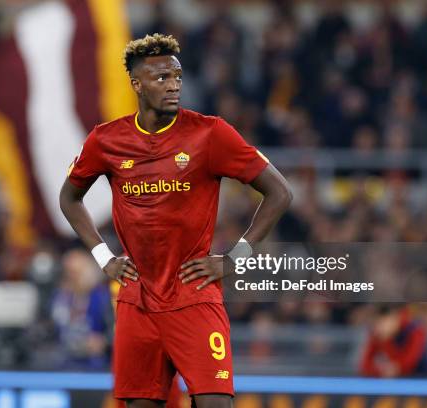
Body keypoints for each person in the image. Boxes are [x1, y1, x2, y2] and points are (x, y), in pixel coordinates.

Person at [60, 33, 292, 408]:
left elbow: (280, 192)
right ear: (137, 84)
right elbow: (69, 197)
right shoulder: (107, 140)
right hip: (137, 299)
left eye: (177, 77)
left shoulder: (209, 133)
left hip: (194, 295)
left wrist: (236, 258)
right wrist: (104, 257)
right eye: (162, 78)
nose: (174, 86)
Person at [360, 305, 427, 377]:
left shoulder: (416, 331)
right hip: (396, 380)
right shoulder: (377, 334)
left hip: (423, 378)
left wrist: (396, 368)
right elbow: (365, 365)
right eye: (376, 324)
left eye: (382, 323)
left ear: (394, 318)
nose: (378, 329)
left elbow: (411, 361)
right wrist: (380, 370)